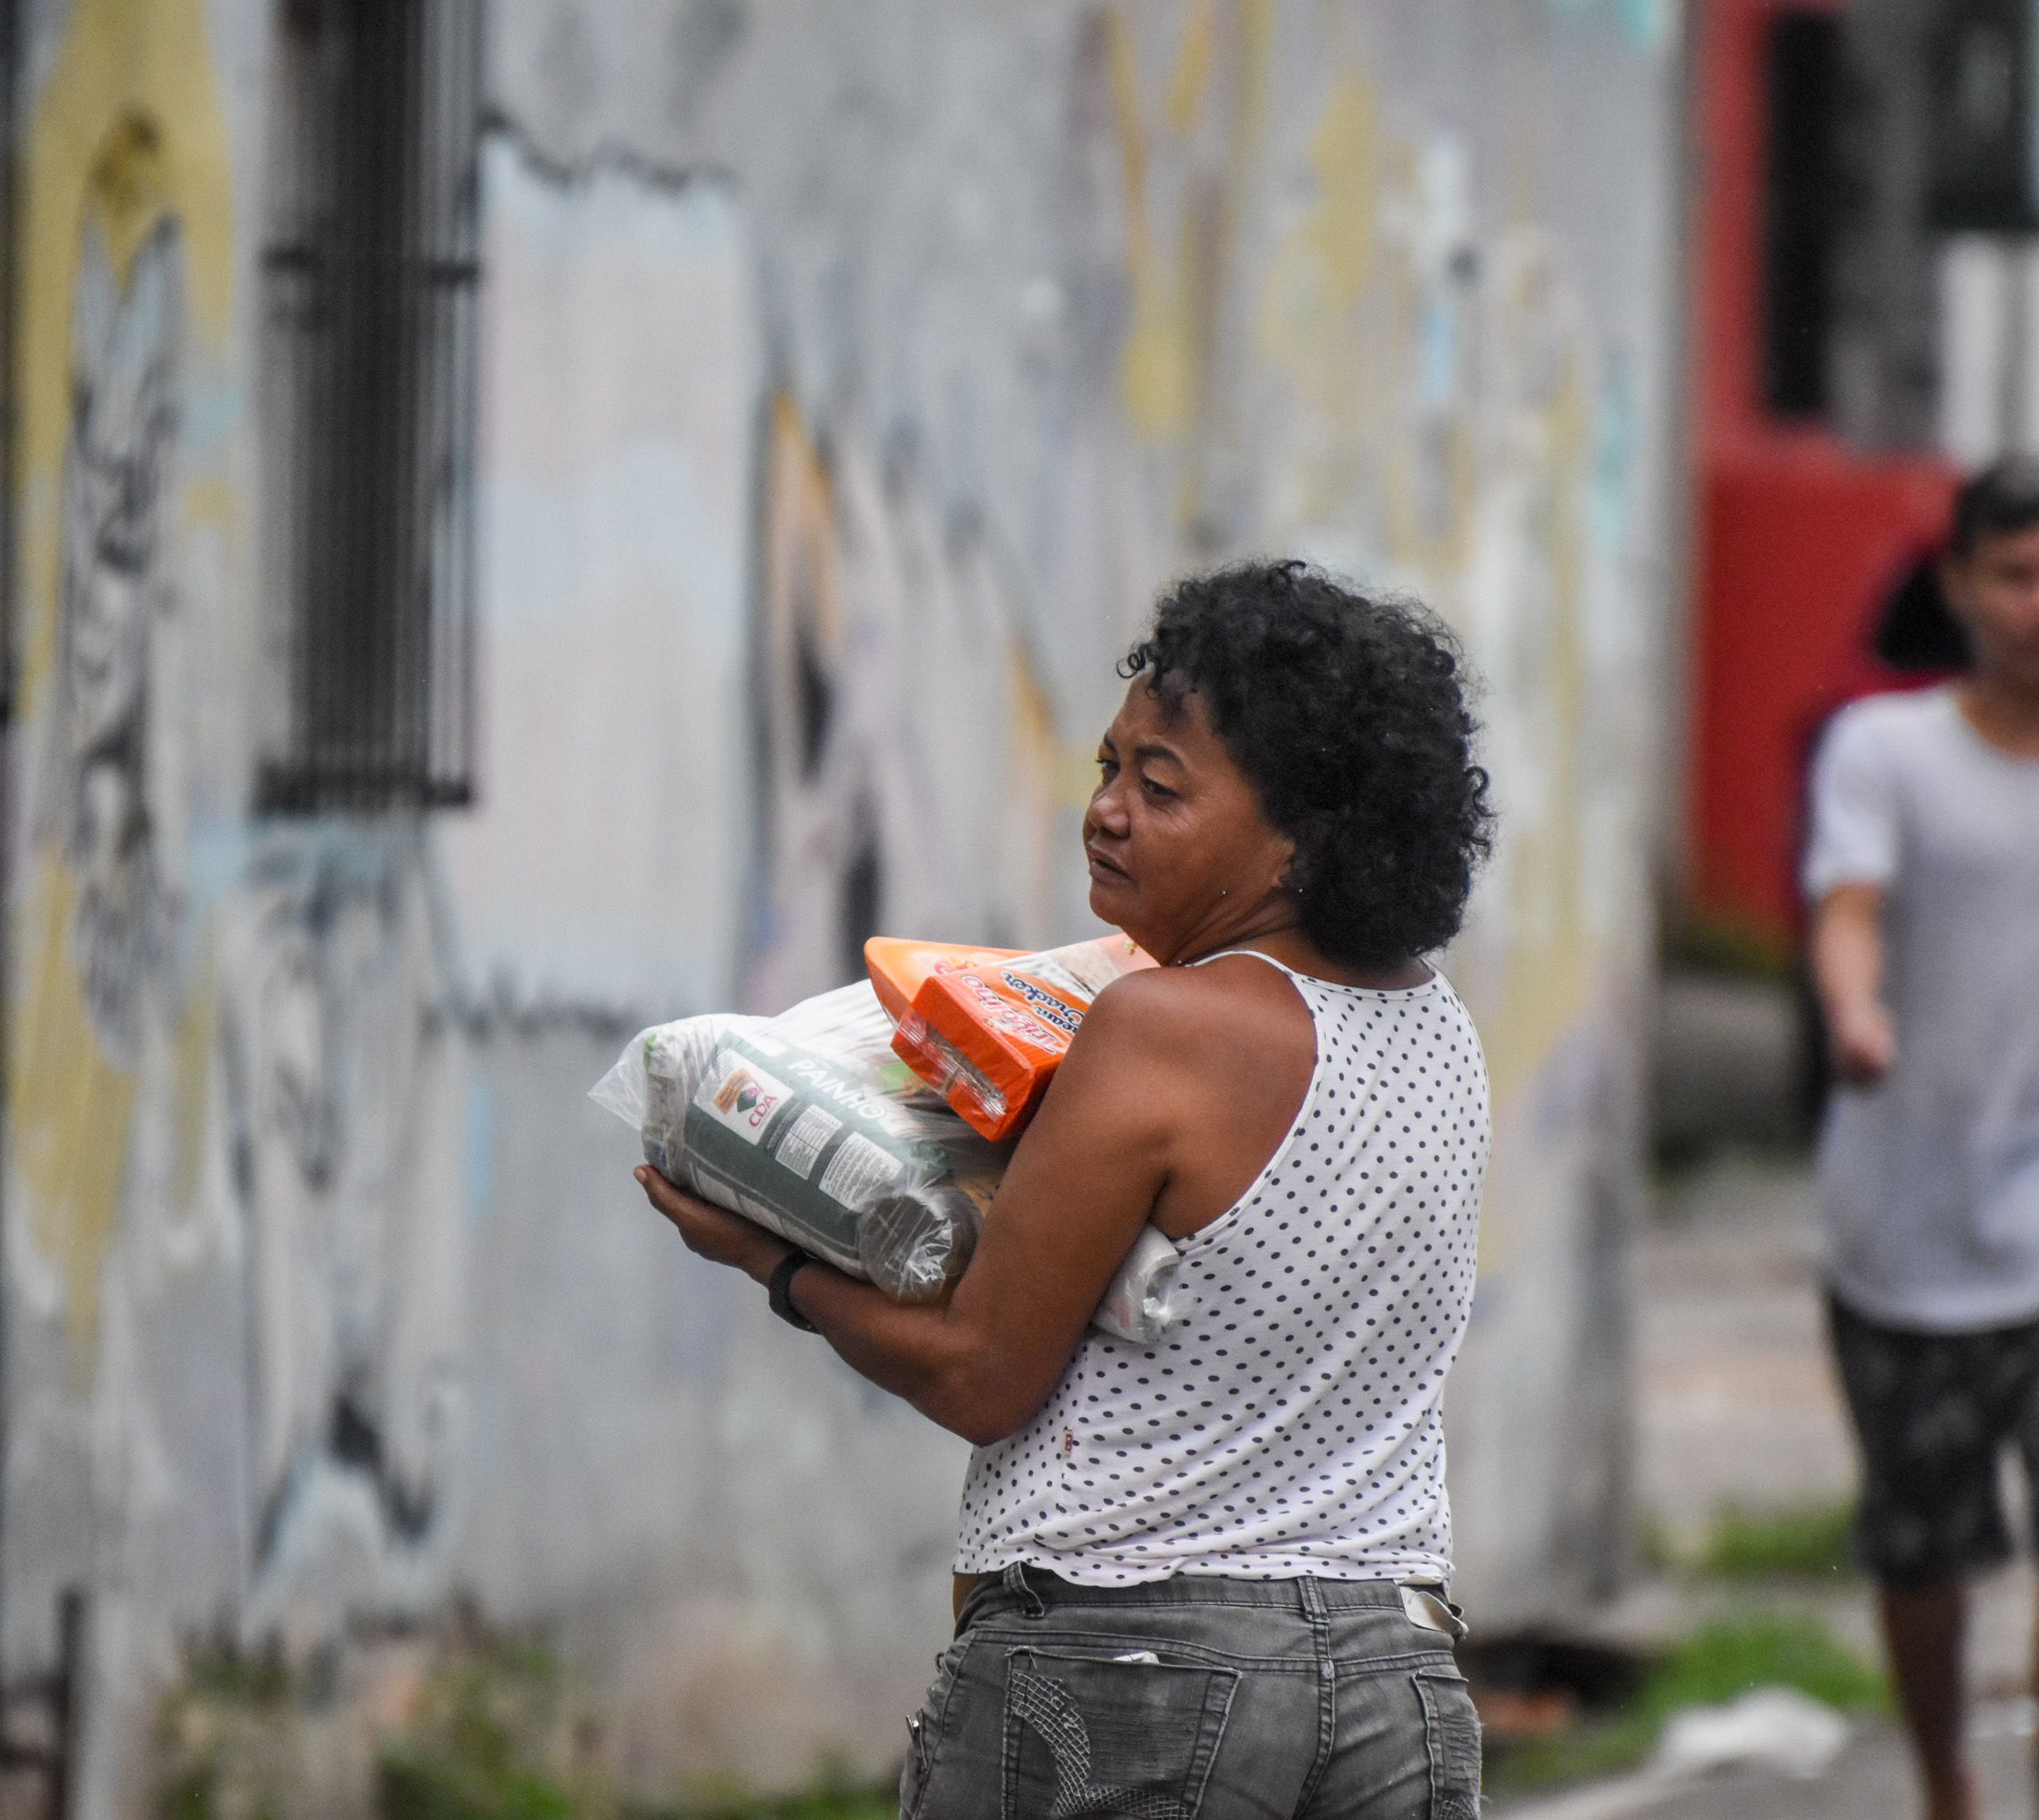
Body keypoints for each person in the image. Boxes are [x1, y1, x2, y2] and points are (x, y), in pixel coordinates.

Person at [641, 561, 1495, 1819]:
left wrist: (775, 1265)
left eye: (1161, 788)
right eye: (1107, 771)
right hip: (1395, 1678)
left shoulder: (1163, 1026)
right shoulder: (1435, 1028)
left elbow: (985, 1371)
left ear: (1305, 840)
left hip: (1132, 1672)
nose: (1107, 813)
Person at [1807, 458, 2039, 1820]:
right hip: (1904, 1234)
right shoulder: (1886, 751)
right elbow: (1848, 900)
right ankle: (1950, 1781)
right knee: (1925, 1555)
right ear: (1958, 585)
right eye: (2014, 573)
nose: (2037, 604)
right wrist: (1855, 1010)